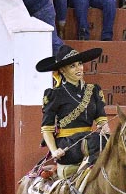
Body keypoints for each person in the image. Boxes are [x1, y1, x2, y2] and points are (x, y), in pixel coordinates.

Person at [36, 44, 110, 178]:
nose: (78, 69)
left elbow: (102, 121)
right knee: (94, 141)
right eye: (72, 66)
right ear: (62, 71)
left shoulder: (93, 90)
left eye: (79, 64)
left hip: (90, 140)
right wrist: (54, 151)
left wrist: (106, 130)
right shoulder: (54, 94)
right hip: (68, 145)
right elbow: (46, 129)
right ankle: (84, 174)